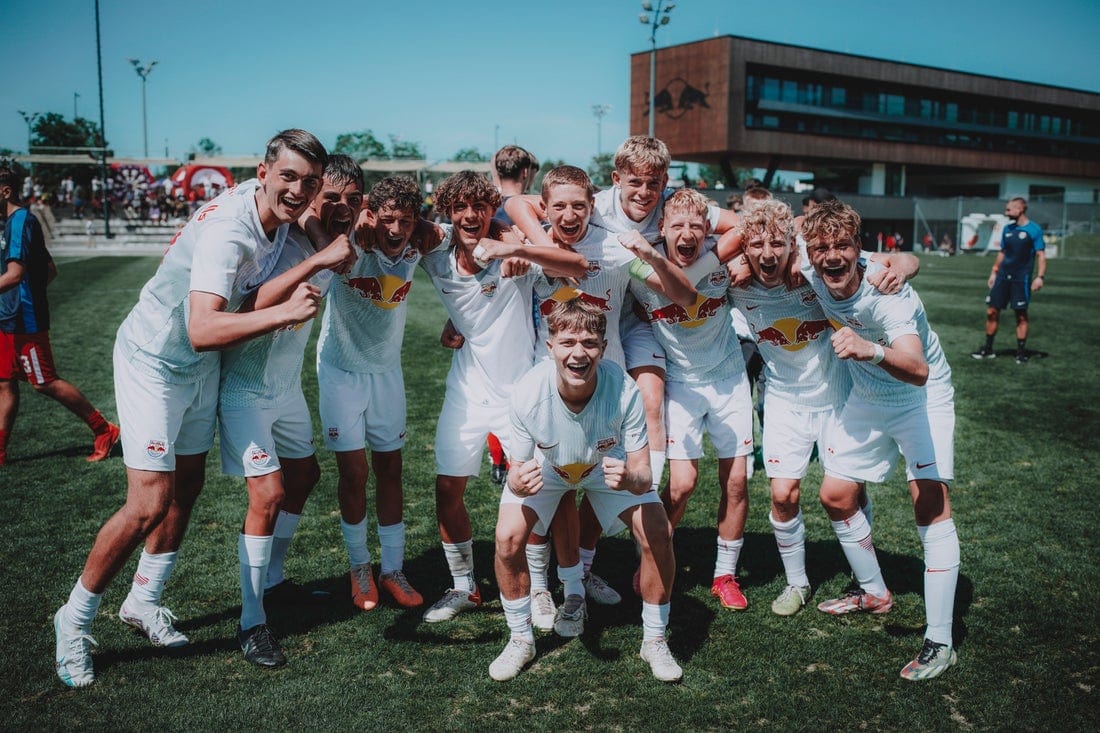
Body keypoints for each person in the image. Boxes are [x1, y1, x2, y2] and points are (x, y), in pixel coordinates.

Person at [52, 130, 331, 688]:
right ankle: (74, 619)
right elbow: (203, 329)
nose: (298, 191)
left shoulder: (277, 209)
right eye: (289, 177)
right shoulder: (230, 231)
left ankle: (143, 601)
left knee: (187, 487)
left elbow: (311, 226)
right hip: (155, 359)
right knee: (148, 501)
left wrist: (326, 240)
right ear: (262, 171)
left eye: (310, 182)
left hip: (199, 366)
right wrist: (286, 313)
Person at [507, 136, 738, 601]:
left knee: (598, 464)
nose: (645, 191)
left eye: (654, 183)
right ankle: (540, 586)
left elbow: (734, 234)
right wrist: (536, 246)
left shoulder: (626, 239)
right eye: (635, 181)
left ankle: (600, 548)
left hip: (625, 327)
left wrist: (674, 263)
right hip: (558, 367)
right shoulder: (562, 226)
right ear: (614, 183)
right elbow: (515, 203)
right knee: (545, 478)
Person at [730, 198, 916, 615]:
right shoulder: (735, 286)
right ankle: (797, 583)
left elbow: (901, 258)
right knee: (783, 494)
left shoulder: (815, 274)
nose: (767, 254)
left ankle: (861, 572)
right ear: (743, 248)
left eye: (777, 243)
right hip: (782, 401)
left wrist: (901, 268)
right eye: (756, 244)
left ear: (793, 245)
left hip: (840, 399)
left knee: (848, 491)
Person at [800, 199, 961, 681]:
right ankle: (874, 592)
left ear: (859, 247)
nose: (831, 256)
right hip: (869, 397)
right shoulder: (810, 267)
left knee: (928, 502)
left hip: (921, 398)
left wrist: (869, 348)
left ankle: (941, 640)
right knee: (835, 495)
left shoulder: (887, 291)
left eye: (842, 246)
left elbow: (918, 370)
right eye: (821, 247)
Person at [418, 171, 588, 624]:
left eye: (479, 207)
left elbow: (574, 267)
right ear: (448, 213)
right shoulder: (436, 259)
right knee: (447, 488)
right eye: (460, 208)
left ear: (490, 208)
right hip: (468, 390)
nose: (470, 216)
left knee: (537, 493)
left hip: (522, 395)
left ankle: (538, 590)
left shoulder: (511, 255)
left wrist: (515, 245)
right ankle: (463, 586)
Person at [490, 299, 682, 683]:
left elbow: (644, 473)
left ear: (603, 347)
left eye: (590, 342)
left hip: (605, 469)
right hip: (551, 469)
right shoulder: (528, 393)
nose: (579, 352)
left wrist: (631, 480)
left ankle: (655, 640)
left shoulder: (624, 389)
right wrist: (515, 482)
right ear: (551, 348)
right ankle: (520, 639)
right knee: (508, 538)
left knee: (657, 531)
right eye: (568, 342)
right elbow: (517, 471)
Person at [218, 155, 359, 667]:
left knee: (304, 474)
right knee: (269, 494)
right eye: (331, 199)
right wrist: (319, 254)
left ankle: (273, 581)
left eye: (351, 199)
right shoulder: (287, 242)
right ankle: (251, 621)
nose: (342, 209)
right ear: (312, 200)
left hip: (285, 389)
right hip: (246, 387)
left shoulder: (331, 239)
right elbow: (249, 306)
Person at [624, 189, 754, 611]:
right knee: (681, 486)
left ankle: (725, 574)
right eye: (677, 225)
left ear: (707, 229)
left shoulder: (720, 257)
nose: (687, 233)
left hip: (730, 377)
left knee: (736, 481)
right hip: (680, 383)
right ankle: (652, 554)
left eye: (696, 226)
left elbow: (748, 226)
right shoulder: (638, 266)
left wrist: (742, 259)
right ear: (660, 228)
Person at [315, 174, 432, 612]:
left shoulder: (421, 243)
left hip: (387, 373)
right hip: (341, 371)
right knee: (354, 472)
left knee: (391, 468)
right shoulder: (350, 243)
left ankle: (393, 569)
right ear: (371, 215)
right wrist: (357, 222)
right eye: (387, 220)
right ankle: (360, 566)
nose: (396, 230)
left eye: (404, 220)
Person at [0, 167, 119, 468]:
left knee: (44, 382)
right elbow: (49, 269)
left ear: (5, 191)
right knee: (4, 382)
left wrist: (25, 299)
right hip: (8, 317)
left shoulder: (21, 221)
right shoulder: (12, 224)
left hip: (23, 319)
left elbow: (15, 275)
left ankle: (104, 429)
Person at [972, 196, 1045, 363]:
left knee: (1020, 315)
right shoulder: (1007, 229)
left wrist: (1040, 277)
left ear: (1019, 209)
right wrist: (994, 272)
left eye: (1009, 209)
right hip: (1003, 277)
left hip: (1022, 278)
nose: (1006, 212)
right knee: (991, 311)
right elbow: (1002, 253)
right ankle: (988, 349)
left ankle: (1020, 352)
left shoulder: (1034, 230)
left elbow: (1041, 255)